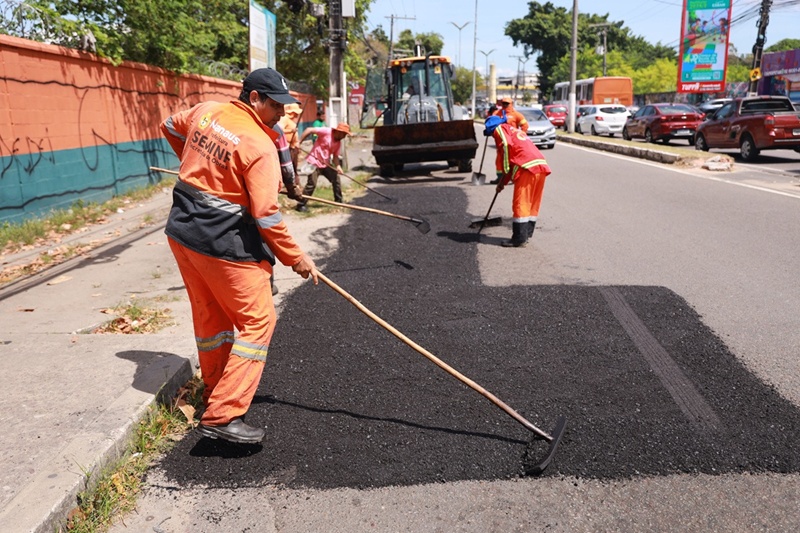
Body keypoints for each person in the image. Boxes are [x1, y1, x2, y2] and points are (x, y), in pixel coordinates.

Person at [159, 67, 319, 444]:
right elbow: (267, 215)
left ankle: (214, 391)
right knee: (258, 321)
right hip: (221, 241)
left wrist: (203, 168)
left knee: (211, 317)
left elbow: (169, 126)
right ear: (254, 98)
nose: (281, 113)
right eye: (275, 106)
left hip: (182, 232)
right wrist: (296, 258)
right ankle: (224, 414)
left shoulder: (207, 111)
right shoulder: (259, 145)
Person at [484, 114, 552, 248]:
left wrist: (504, 169)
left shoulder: (500, 129)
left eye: (491, 134)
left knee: (521, 203)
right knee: (532, 202)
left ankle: (519, 239)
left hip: (526, 168)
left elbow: (506, 146)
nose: (493, 137)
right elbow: (512, 160)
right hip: (540, 166)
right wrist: (502, 183)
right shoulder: (513, 130)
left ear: (492, 129)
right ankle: (526, 235)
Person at [294, 122, 350, 209]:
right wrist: (299, 142)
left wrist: (338, 166)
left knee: (336, 178)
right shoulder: (326, 131)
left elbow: (335, 157)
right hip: (314, 162)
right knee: (312, 184)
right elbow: (309, 130)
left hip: (325, 164)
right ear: (339, 132)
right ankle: (301, 205)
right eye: (344, 134)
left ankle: (339, 201)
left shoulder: (338, 143)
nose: (344, 136)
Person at [279, 102, 302, 172]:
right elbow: (279, 130)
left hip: (293, 147)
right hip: (287, 146)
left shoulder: (291, 121)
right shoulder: (284, 119)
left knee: (294, 167)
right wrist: (291, 130)